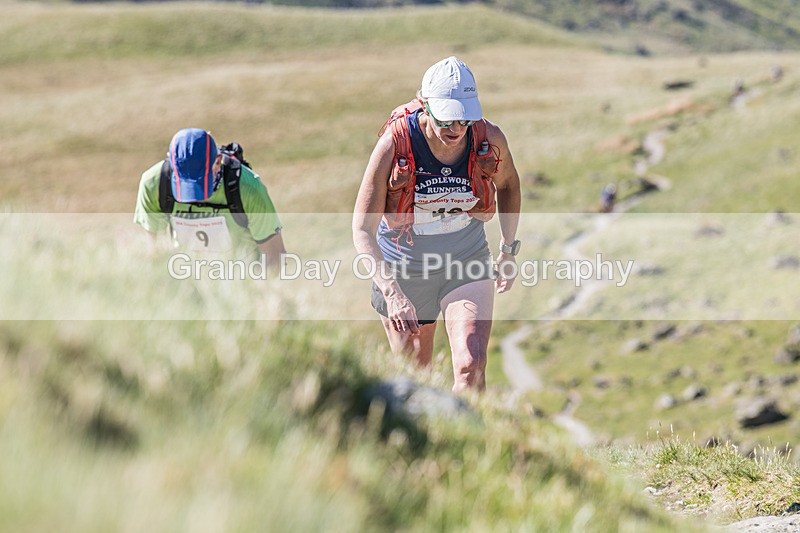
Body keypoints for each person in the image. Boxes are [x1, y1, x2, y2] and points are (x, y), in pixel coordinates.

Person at [353, 56, 521, 392]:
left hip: (466, 257)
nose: (456, 129)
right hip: (404, 268)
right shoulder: (395, 143)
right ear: (424, 104)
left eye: (464, 118)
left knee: (472, 366)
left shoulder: (487, 137)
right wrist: (392, 293)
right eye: (446, 118)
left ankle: (473, 425)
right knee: (417, 379)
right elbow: (362, 229)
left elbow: (508, 184)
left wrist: (508, 249)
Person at [134, 128, 286, 266]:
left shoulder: (249, 188)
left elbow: (276, 257)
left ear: (218, 162)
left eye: (200, 182)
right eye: (184, 184)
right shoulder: (154, 185)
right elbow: (156, 253)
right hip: (186, 274)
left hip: (245, 273)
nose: (193, 198)